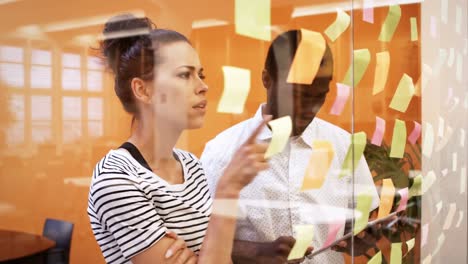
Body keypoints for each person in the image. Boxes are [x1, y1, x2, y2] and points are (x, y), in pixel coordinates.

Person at [87, 14, 270, 264]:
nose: (203, 86)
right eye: (185, 75)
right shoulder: (116, 179)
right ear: (143, 90)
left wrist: (202, 255)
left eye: (201, 74)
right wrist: (228, 189)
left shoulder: (191, 165)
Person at [201, 30, 380, 263]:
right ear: (267, 79)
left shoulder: (344, 145)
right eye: (298, 95)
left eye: (320, 96)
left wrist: (364, 236)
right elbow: (199, 240)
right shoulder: (221, 152)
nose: (310, 108)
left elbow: (363, 223)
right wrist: (256, 252)